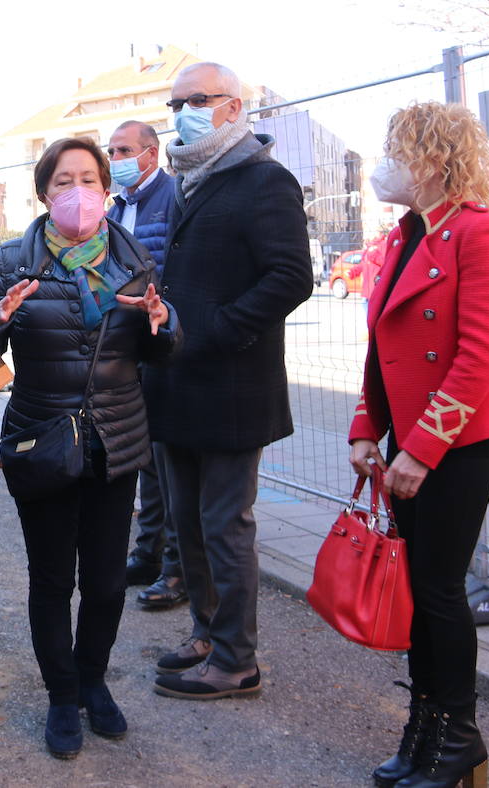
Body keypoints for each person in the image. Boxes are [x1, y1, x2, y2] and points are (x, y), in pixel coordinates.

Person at [0, 136, 180, 760]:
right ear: (44, 193)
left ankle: (94, 681)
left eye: (89, 179)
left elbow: (161, 346)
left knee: (110, 583)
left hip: (116, 439)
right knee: (53, 579)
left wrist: (161, 325)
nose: (79, 192)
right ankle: (62, 694)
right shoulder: (15, 257)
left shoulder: (133, 255)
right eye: (64, 181)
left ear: (106, 189)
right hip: (43, 440)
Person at [351, 102, 489, 788]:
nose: (386, 164)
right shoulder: (403, 235)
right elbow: (380, 349)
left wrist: (420, 449)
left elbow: (479, 356)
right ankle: (425, 730)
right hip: (406, 438)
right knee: (419, 592)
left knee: (437, 589)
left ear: (431, 158)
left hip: (458, 440)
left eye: (397, 149)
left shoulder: (480, 233)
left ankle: (457, 734)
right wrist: (366, 428)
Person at [142, 61, 314, 700]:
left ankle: (237, 658)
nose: (184, 109)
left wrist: (213, 329)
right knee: (186, 522)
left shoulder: (264, 181)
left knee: (223, 524)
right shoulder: (191, 178)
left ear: (235, 108)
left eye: (199, 99)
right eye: (176, 100)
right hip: (177, 383)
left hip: (231, 384)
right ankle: (206, 634)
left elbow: (291, 277)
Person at [106, 120, 188, 610]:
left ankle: (176, 568)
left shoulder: (173, 198)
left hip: (163, 340)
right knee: (146, 459)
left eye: (124, 150)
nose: (115, 158)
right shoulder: (116, 209)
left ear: (150, 155)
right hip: (127, 345)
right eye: (111, 150)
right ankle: (148, 552)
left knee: (169, 462)